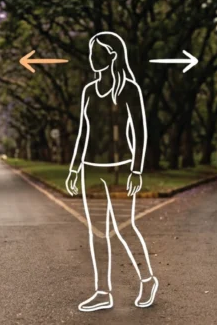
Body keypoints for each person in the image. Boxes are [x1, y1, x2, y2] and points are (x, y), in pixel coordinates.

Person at [65, 31, 158, 312]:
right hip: (93, 169)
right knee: (97, 234)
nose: (92, 57)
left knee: (122, 228)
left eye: (97, 52)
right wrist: (74, 168)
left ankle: (147, 280)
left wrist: (136, 169)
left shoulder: (130, 89)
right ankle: (103, 292)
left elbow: (139, 131)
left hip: (121, 167)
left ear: (112, 55)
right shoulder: (89, 91)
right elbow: (83, 133)